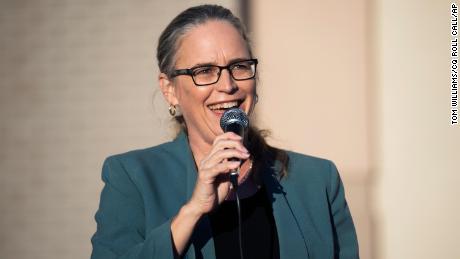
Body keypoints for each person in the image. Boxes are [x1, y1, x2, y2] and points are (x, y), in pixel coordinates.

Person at [91, 4, 359, 259]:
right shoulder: (133, 177)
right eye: (205, 71)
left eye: (239, 66)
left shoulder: (317, 180)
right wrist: (193, 210)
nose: (228, 85)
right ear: (169, 90)